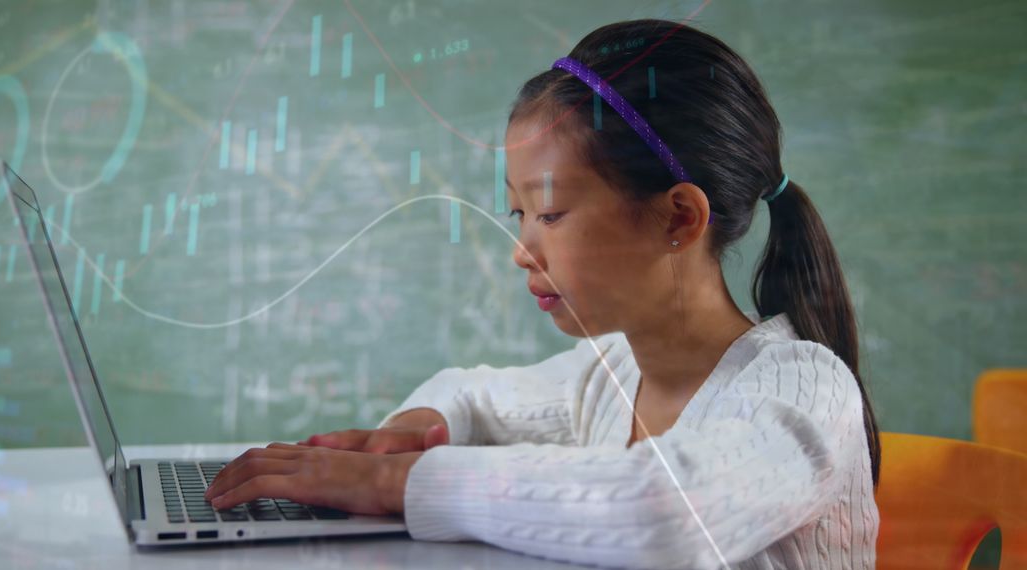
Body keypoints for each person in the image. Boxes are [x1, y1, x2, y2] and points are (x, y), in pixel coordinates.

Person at [205, 18, 880, 569]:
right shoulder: (612, 374)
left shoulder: (805, 389)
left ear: (679, 218)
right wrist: (413, 434)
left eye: (551, 215)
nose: (522, 249)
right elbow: (466, 392)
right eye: (517, 215)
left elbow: (664, 511)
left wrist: (393, 484)